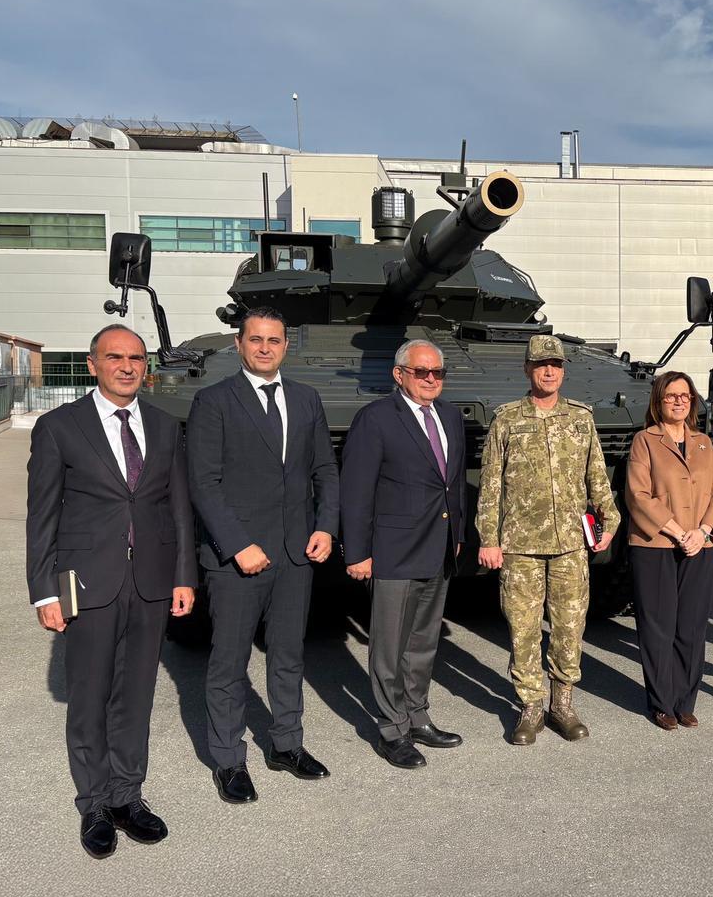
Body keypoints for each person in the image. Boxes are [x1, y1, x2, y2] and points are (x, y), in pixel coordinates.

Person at [26, 324, 196, 858]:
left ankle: (128, 796)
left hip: (150, 582)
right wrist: (43, 591)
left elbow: (178, 509)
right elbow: (42, 516)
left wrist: (183, 576)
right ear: (92, 364)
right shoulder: (59, 428)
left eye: (137, 358)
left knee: (136, 697)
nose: (127, 366)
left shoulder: (166, 427)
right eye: (115, 357)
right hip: (85, 583)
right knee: (90, 697)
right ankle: (94, 803)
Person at [186, 306, 339, 802]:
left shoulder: (306, 398)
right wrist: (237, 545)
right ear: (240, 344)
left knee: (289, 657)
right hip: (238, 559)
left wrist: (325, 527)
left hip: (297, 552)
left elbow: (324, 471)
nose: (265, 348)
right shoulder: (214, 401)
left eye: (274, 340)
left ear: (286, 345)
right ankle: (229, 759)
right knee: (229, 663)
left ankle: (286, 744)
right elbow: (204, 484)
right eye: (256, 340)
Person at [476, 334, 620, 745]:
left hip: (571, 544)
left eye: (555, 364)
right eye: (540, 365)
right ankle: (530, 707)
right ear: (527, 369)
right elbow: (490, 486)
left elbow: (596, 474)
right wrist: (489, 537)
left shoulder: (580, 418)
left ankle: (562, 705)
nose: (549, 371)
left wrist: (608, 519)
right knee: (522, 628)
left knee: (569, 627)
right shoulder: (506, 420)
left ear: (563, 369)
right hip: (520, 544)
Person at [340, 339, 466, 769]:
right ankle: (392, 729)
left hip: (439, 547)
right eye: (421, 372)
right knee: (390, 646)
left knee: (423, 643)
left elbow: (454, 485)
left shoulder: (450, 416)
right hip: (392, 551)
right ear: (399, 374)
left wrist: (460, 534)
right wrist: (357, 551)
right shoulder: (375, 419)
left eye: (438, 373)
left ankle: (417, 716)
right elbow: (356, 491)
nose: (431, 379)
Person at [625, 372, 713, 730]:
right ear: (658, 401)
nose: (679, 401)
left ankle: (685, 701)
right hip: (656, 545)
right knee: (658, 625)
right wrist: (678, 531)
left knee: (692, 626)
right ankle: (662, 702)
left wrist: (702, 531)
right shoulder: (645, 440)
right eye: (671, 396)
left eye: (685, 396)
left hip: (700, 544)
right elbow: (638, 495)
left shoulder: (702, 442)